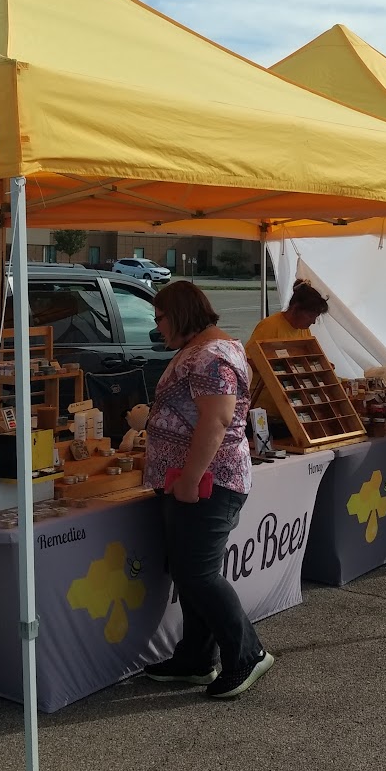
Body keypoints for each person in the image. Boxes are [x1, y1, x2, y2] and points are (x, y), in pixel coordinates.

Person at [142, 281, 274, 699]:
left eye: (160, 317)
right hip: (197, 480)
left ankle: (247, 654)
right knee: (189, 572)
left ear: (179, 314)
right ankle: (196, 657)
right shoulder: (206, 350)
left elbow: (215, 423)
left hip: (205, 482)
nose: (157, 327)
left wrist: (186, 480)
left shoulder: (210, 356)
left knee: (197, 574)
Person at [246, 279, 330, 424]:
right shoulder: (270, 326)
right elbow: (247, 361)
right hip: (266, 408)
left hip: (292, 404)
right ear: (296, 308)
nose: (313, 322)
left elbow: (308, 359)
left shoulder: (304, 331)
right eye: (311, 316)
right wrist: (278, 366)